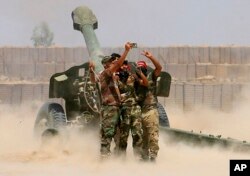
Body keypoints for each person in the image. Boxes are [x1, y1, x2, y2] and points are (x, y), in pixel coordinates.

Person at [89, 42, 132, 159]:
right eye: (111, 61)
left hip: (116, 108)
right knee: (107, 135)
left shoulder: (112, 76)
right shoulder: (106, 73)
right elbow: (118, 64)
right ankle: (105, 160)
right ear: (105, 65)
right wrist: (126, 51)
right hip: (110, 109)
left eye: (113, 60)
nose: (113, 61)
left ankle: (117, 160)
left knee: (118, 137)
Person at [116, 59, 148, 158]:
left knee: (137, 134)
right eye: (122, 65)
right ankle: (121, 159)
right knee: (123, 137)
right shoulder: (115, 78)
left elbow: (145, 83)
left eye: (126, 65)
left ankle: (138, 159)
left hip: (134, 108)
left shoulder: (133, 77)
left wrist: (139, 74)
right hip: (123, 110)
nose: (124, 67)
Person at [136, 50, 162, 162]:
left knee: (153, 136)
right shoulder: (136, 81)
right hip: (141, 111)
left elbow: (159, 68)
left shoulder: (151, 77)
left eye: (142, 68)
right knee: (143, 137)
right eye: (139, 68)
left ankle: (153, 157)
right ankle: (144, 157)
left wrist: (151, 57)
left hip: (151, 110)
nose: (141, 70)